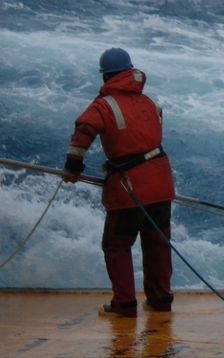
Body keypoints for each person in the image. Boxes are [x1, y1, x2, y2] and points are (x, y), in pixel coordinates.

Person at [61, 47, 176, 317]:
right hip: (161, 183)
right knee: (158, 243)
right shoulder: (150, 103)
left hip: (128, 187)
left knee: (117, 245)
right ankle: (161, 301)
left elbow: (83, 133)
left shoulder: (103, 105)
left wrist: (73, 169)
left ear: (106, 76)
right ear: (130, 72)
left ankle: (124, 305)